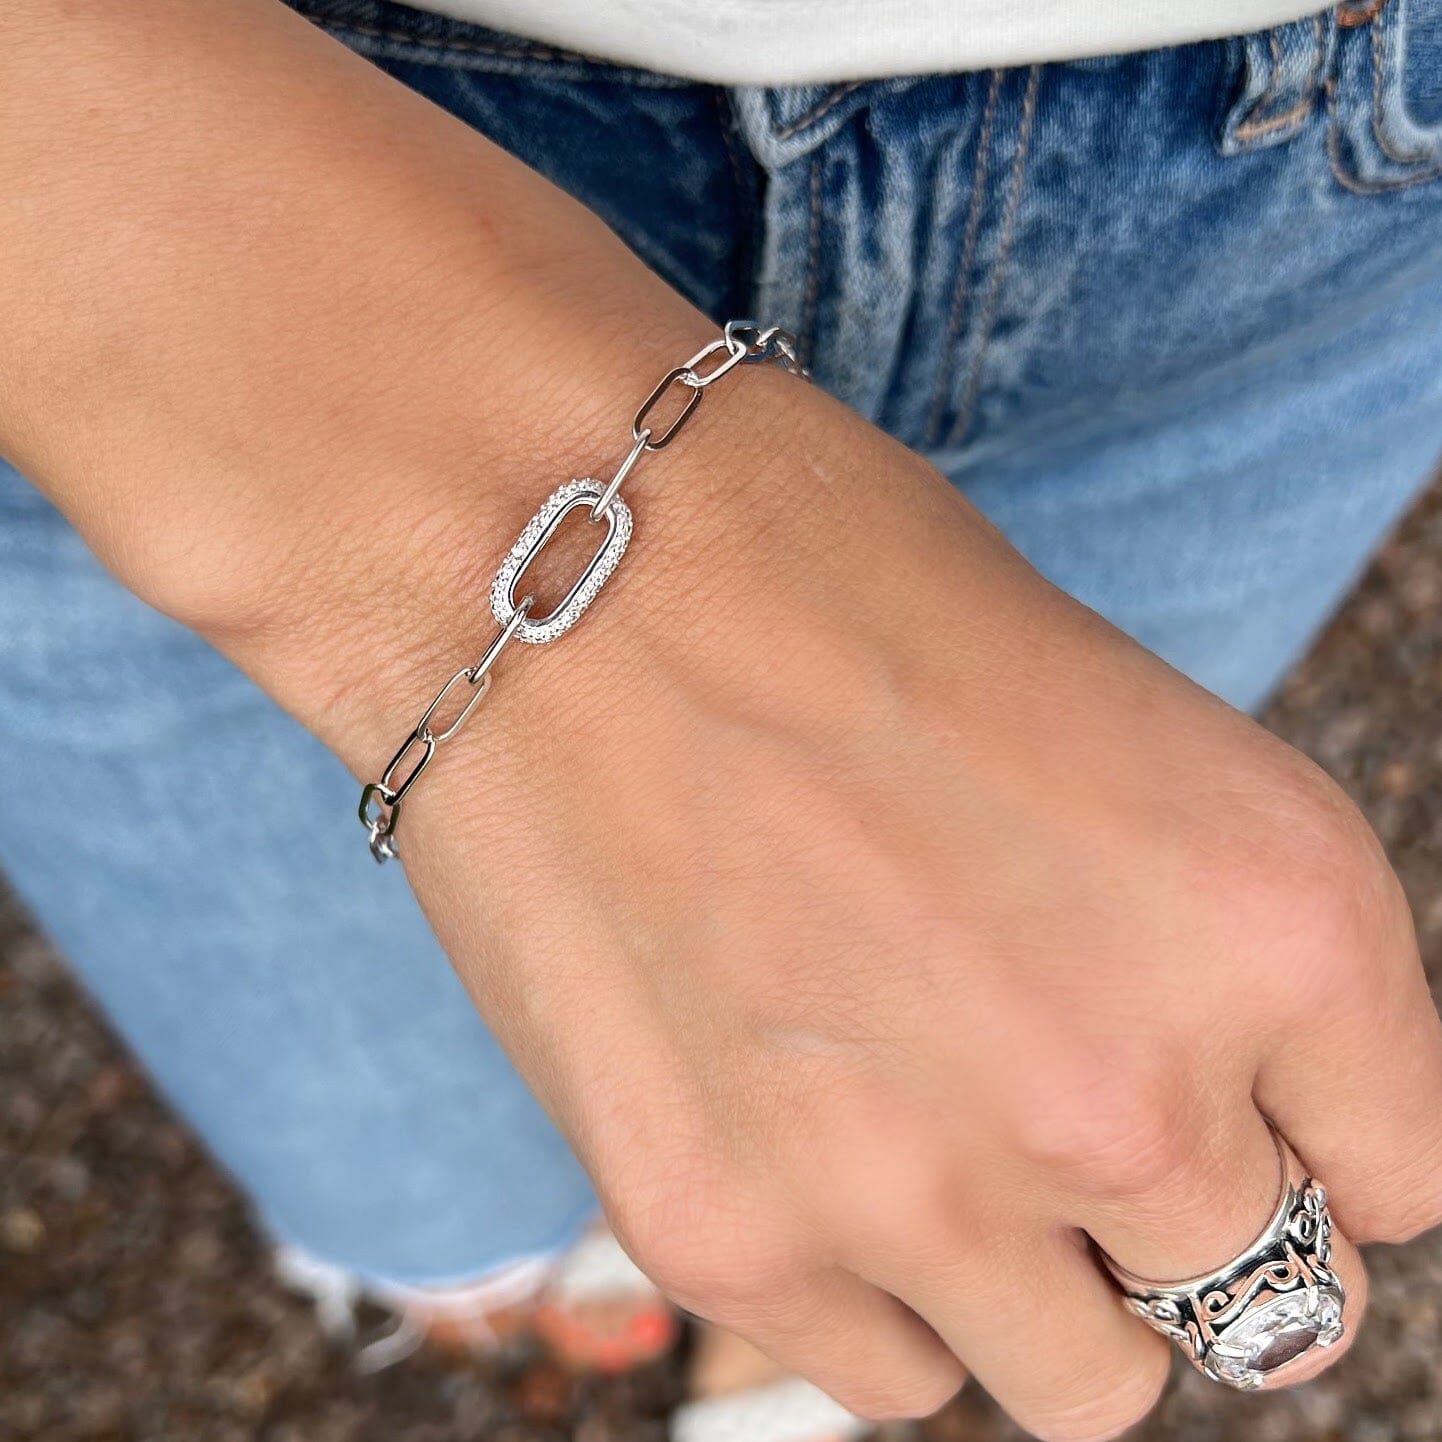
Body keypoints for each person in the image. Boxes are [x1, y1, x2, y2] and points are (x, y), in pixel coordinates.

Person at [3, 1, 1442, 1438]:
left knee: (1011, 994)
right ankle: (518, 1234)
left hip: (1321, 201)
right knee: (413, 1167)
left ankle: (809, 1201)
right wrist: (456, 514)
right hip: (196, 211)